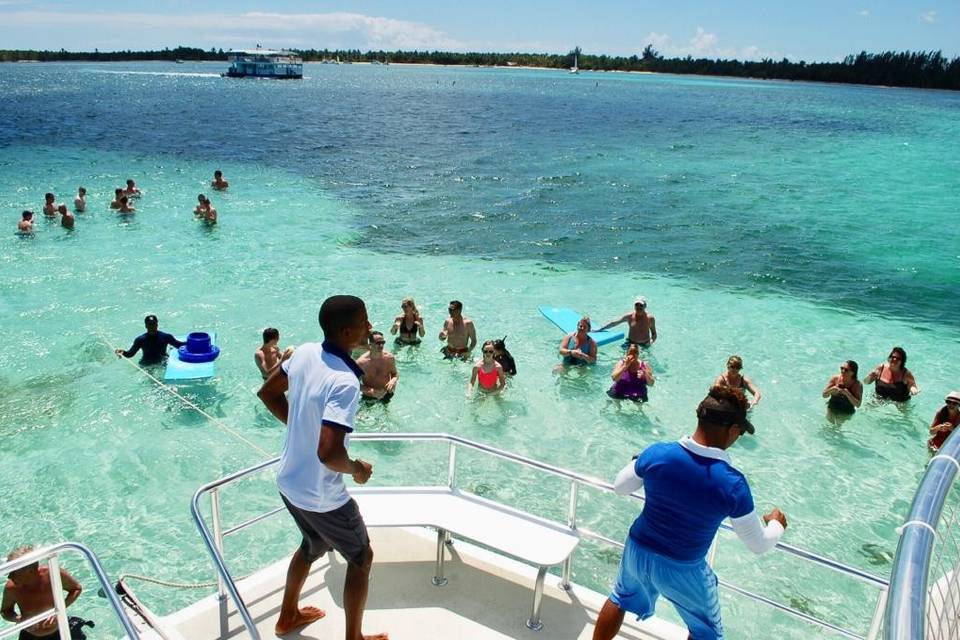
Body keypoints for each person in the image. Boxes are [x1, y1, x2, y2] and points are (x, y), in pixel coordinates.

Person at [593, 386, 787, 640]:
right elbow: (758, 545)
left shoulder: (657, 453)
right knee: (707, 632)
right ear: (733, 430)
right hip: (683, 566)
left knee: (620, 598)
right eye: (740, 432)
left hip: (638, 549)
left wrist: (639, 462)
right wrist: (777, 524)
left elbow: (620, 487)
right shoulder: (733, 484)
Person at [257, 295, 387, 639]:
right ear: (347, 332)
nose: (370, 326)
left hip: (288, 482)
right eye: (364, 321)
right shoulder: (345, 381)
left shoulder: (303, 353)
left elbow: (268, 393)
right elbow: (329, 455)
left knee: (311, 544)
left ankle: (287, 616)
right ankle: (354, 638)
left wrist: (302, 428)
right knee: (361, 557)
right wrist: (356, 468)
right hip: (322, 496)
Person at [2, 545, 91, 640]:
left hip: (60, 629)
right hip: (31, 636)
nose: (9, 577)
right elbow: (5, 611)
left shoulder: (52, 574)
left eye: (14, 573)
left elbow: (76, 589)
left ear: (31, 571)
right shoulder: (11, 588)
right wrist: (19, 619)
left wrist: (58, 610)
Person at [115, 315, 185, 366]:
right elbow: (130, 354)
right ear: (146, 326)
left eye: (154, 324)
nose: (152, 326)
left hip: (162, 362)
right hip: (146, 365)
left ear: (157, 324)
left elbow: (179, 345)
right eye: (149, 324)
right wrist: (122, 352)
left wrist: (192, 343)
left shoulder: (166, 337)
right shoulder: (140, 340)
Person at [356, 331, 399, 403]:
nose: (381, 345)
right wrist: (371, 391)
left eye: (383, 342)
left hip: (387, 393)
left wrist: (393, 381)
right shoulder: (361, 362)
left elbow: (395, 373)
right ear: (370, 344)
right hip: (369, 396)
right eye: (378, 343)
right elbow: (354, 383)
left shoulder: (389, 358)